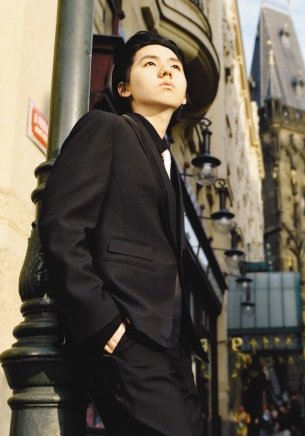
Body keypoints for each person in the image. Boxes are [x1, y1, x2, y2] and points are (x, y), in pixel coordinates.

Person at [39, 30, 207, 436]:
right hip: (126, 338)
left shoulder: (170, 166)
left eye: (175, 67)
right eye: (151, 64)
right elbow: (62, 225)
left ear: (185, 94)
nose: (166, 71)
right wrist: (104, 324)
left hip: (171, 348)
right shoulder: (106, 128)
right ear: (124, 87)